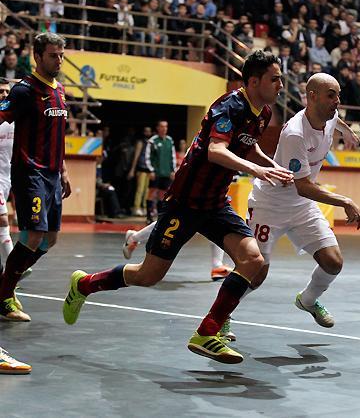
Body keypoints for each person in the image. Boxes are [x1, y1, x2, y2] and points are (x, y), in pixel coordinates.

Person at [62, 50, 294, 364]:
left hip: (215, 203)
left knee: (253, 259)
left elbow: (247, 147)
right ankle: (84, 284)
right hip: (184, 203)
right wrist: (256, 171)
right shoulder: (229, 106)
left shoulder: (263, 112)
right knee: (148, 275)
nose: (281, 85)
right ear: (254, 81)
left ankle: (207, 333)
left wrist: (272, 166)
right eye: (275, 79)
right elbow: (216, 150)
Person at [246, 73, 360, 330]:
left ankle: (308, 300)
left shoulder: (329, 116)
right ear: (312, 96)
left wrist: (347, 131)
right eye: (331, 95)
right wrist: (345, 201)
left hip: (301, 207)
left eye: (338, 95)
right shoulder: (295, 134)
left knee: (333, 262)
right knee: (256, 271)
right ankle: (221, 316)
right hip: (270, 204)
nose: (337, 101)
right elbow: (303, 187)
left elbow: (335, 119)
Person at [0, 33, 71, 321]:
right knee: (34, 234)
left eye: (61, 55)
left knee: (49, 239)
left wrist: (63, 170)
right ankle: (4, 297)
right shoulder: (23, 90)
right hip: (30, 173)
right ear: (37, 56)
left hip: (53, 174)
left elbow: (58, 135)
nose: (59, 60)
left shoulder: (60, 90)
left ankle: (5, 283)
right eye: (53, 55)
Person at [144, 120, 176, 223]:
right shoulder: (152, 141)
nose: (164, 128)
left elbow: (173, 157)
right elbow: (147, 156)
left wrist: (173, 170)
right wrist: (151, 170)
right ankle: (149, 216)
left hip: (166, 172)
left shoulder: (170, 140)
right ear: (158, 128)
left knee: (162, 195)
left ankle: (159, 217)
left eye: (166, 126)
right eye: (162, 126)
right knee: (151, 193)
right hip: (156, 172)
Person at [0, 79, 15, 271]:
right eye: (0, 91)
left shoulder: (15, 117)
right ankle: (14, 266)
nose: (4, 95)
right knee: (3, 219)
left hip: (9, 177)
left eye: (6, 91)